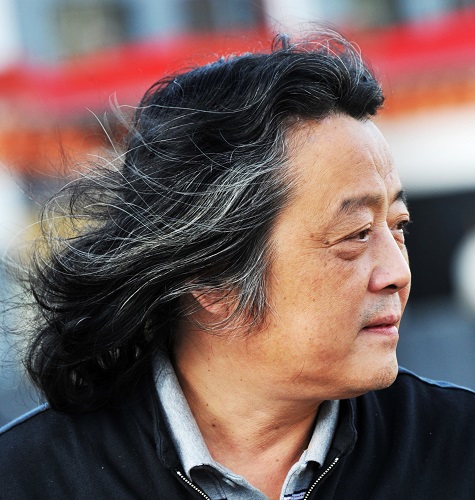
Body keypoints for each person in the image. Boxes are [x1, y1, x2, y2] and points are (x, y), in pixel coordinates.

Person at [1, 31, 475, 500]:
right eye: (355, 234)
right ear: (211, 275)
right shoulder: (31, 479)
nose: (398, 273)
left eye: (398, 226)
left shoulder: (456, 449)